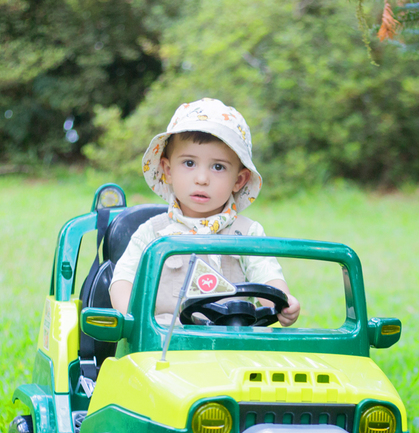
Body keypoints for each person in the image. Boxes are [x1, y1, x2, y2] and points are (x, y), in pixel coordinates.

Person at [108, 98, 301, 326]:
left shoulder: (246, 234)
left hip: (232, 341)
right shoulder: (153, 233)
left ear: (239, 180)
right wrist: (135, 318)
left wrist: (282, 302)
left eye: (218, 167)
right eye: (189, 163)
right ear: (167, 171)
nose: (201, 179)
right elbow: (123, 280)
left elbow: (267, 276)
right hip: (165, 343)